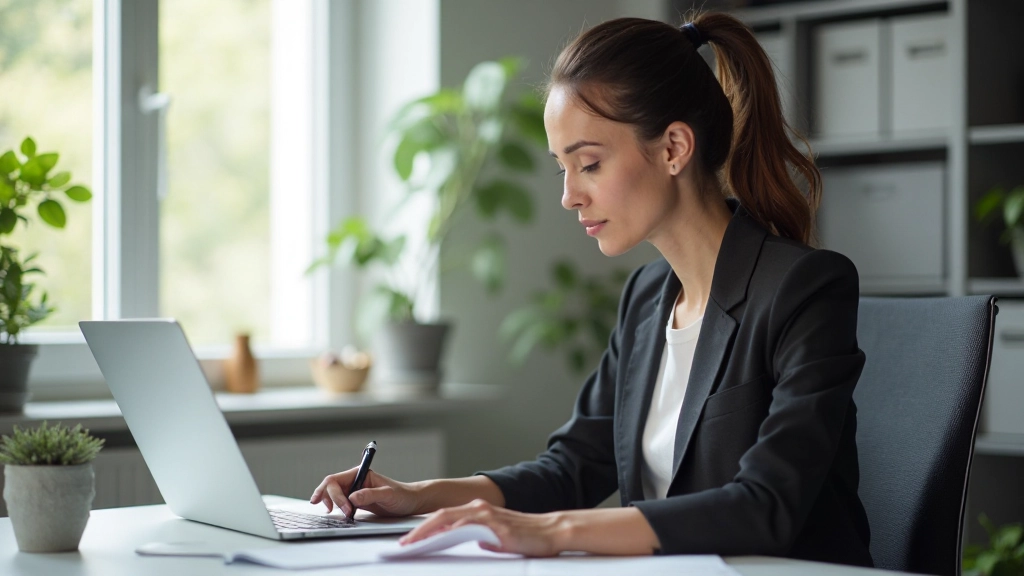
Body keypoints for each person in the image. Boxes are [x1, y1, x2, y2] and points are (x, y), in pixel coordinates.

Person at [310, 12, 872, 567]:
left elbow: (765, 506)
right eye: (563, 168)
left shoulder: (804, 288)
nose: (569, 196)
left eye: (589, 164)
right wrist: (420, 495)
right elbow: (571, 468)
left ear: (674, 148)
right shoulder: (647, 298)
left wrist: (550, 531)